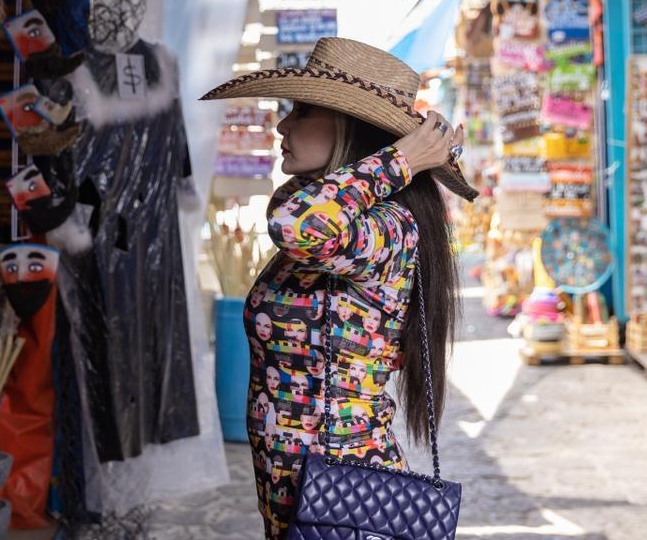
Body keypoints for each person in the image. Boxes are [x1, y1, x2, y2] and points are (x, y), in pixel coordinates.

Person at [202, 37, 477, 539]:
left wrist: (402, 159)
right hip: (294, 493)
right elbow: (289, 208)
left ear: (351, 127)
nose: (282, 125)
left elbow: (296, 224)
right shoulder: (325, 217)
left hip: (342, 493)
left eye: (301, 111)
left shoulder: (390, 228)